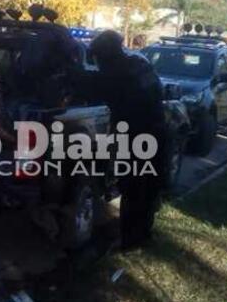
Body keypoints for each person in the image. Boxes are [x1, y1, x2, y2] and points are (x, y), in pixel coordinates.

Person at [71, 30, 167, 249]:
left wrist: (71, 73)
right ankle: (143, 234)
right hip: (157, 132)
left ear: (105, 55)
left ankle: (130, 242)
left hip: (136, 138)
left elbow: (90, 86)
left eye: (97, 57)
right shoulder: (138, 64)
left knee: (133, 190)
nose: (97, 62)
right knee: (149, 188)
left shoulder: (116, 74)